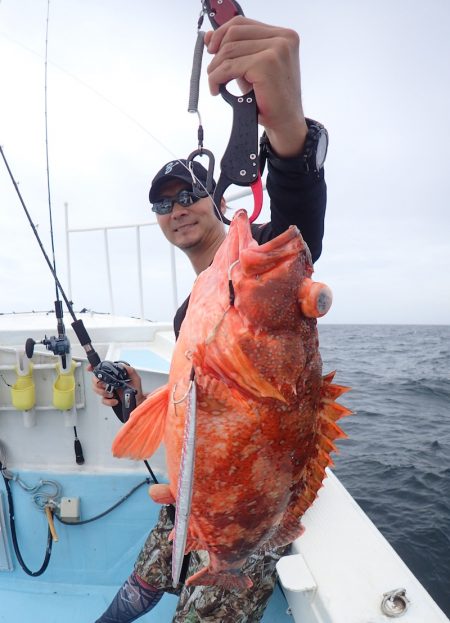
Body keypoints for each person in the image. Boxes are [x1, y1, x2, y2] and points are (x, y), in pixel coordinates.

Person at [93, 15, 328, 623]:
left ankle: (225, 574)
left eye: (186, 194)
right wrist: (132, 399)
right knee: (134, 596)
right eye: (161, 205)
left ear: (216, 195)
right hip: (194, 493)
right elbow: (195, 400)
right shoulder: (191, 311)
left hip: (246, 516)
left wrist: (287, 132)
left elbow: (299, 219)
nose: (176, 210)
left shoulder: (258, 266)